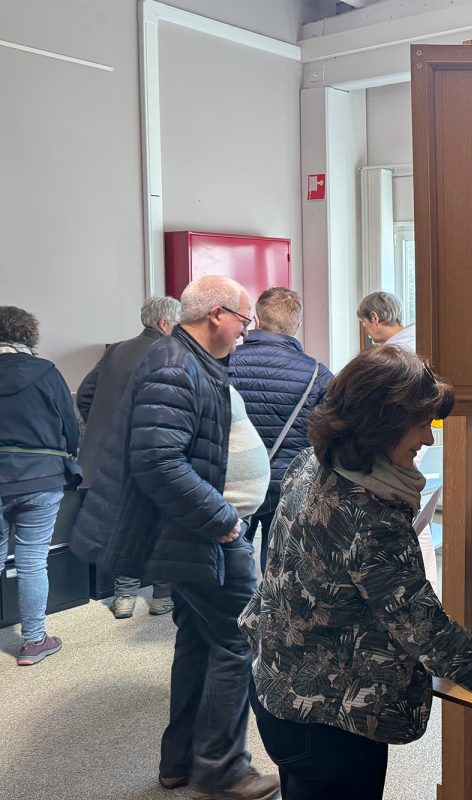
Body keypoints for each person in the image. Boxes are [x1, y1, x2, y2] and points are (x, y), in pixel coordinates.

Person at [240, 346, 472, 799]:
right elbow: (432, 636)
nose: (430, 439)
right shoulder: (371, 518)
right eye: (421, 423)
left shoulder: (312, 463)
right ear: (381, 425)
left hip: (279, 688)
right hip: (330, 724)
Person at [69, 276, 279, 800]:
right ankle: (223, 767)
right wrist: (224, 520)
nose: (245, 333)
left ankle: (181, 760)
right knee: (238, 638)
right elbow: (158, 463)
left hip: (195, 534)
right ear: (216, 315)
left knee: (199, 640)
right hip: (204, 533)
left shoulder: (186, 360)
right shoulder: (175, 365)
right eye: (244, 320)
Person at [73, 295, 181, 619]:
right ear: (165, 323)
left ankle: (124, 598)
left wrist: (104, 428)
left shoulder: (115, 351)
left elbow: (86, 394)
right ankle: (162, 597)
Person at [229, 287, 333, 573]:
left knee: (232, 558)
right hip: (290, 481)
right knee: (279, 564)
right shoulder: (317, 373)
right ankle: (270, 614)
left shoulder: (223, 363)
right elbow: (331, 431)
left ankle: (237, 614)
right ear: (296, 327)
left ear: (256, 320)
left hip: (236, 480)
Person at [0, 306, 81, 666]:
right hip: (42, 477)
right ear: (28, 335)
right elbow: (70, 425)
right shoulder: (45, 371)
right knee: (33, 561)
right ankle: (34, 641)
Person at [356, 291, 438, 591]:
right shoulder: (427, 338)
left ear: (374, 318)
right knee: (415, 513)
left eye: (365, 324)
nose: (367, 331)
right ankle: (427, 584)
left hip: (393, 445)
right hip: (405, 442)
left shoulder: (389, 358)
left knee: (401, 512)